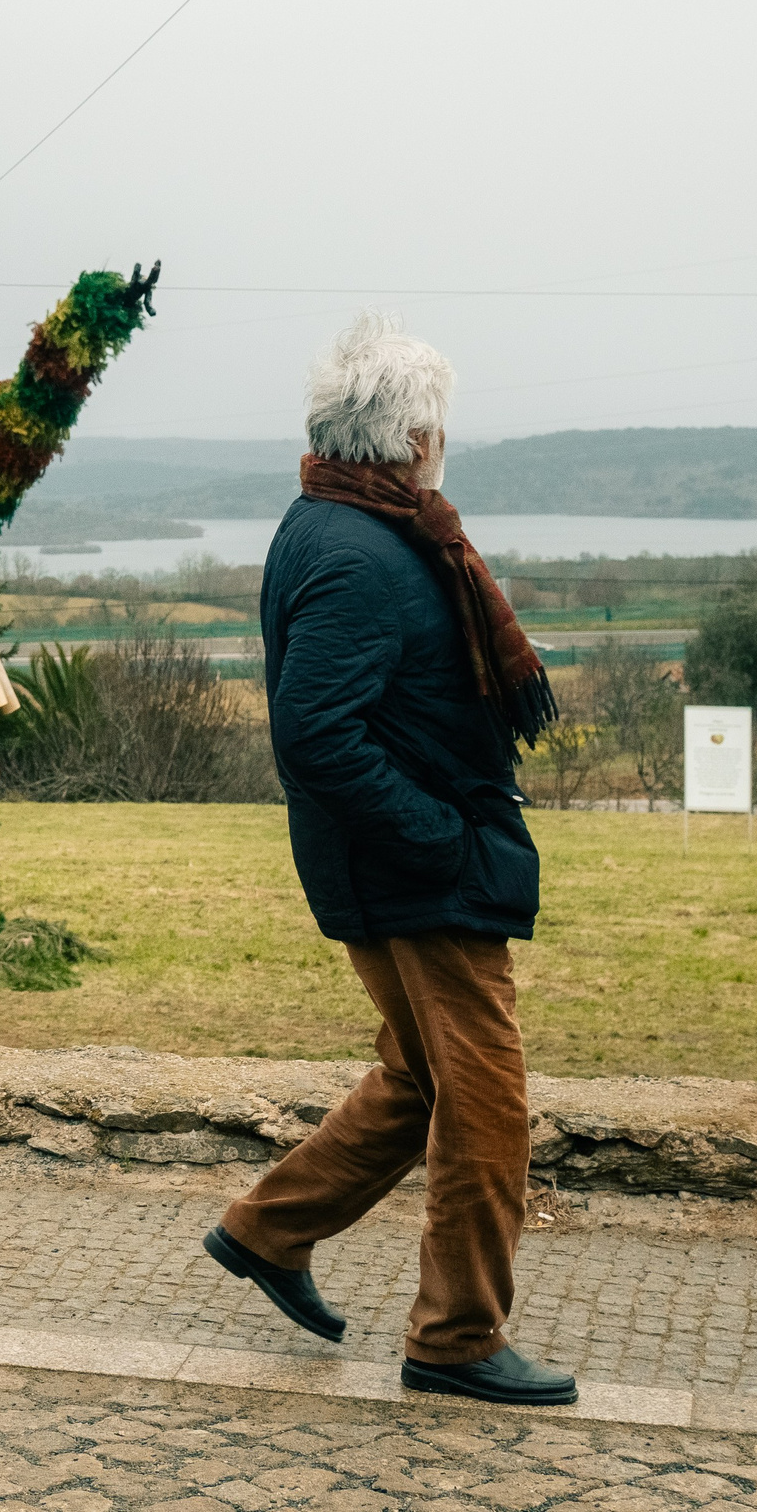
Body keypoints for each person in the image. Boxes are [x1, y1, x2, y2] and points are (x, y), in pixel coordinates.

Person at [203, 312, 574, 1406]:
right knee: (486, 1103)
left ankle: (268, 1232)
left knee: (420, 1081)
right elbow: (314, 733)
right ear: (412, 438)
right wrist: (441, 838)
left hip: (391, 863)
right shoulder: (360, 549)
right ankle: (457, 1337)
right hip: (416, 872)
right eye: (440, 428)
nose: (443, 445)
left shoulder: (336, 522)